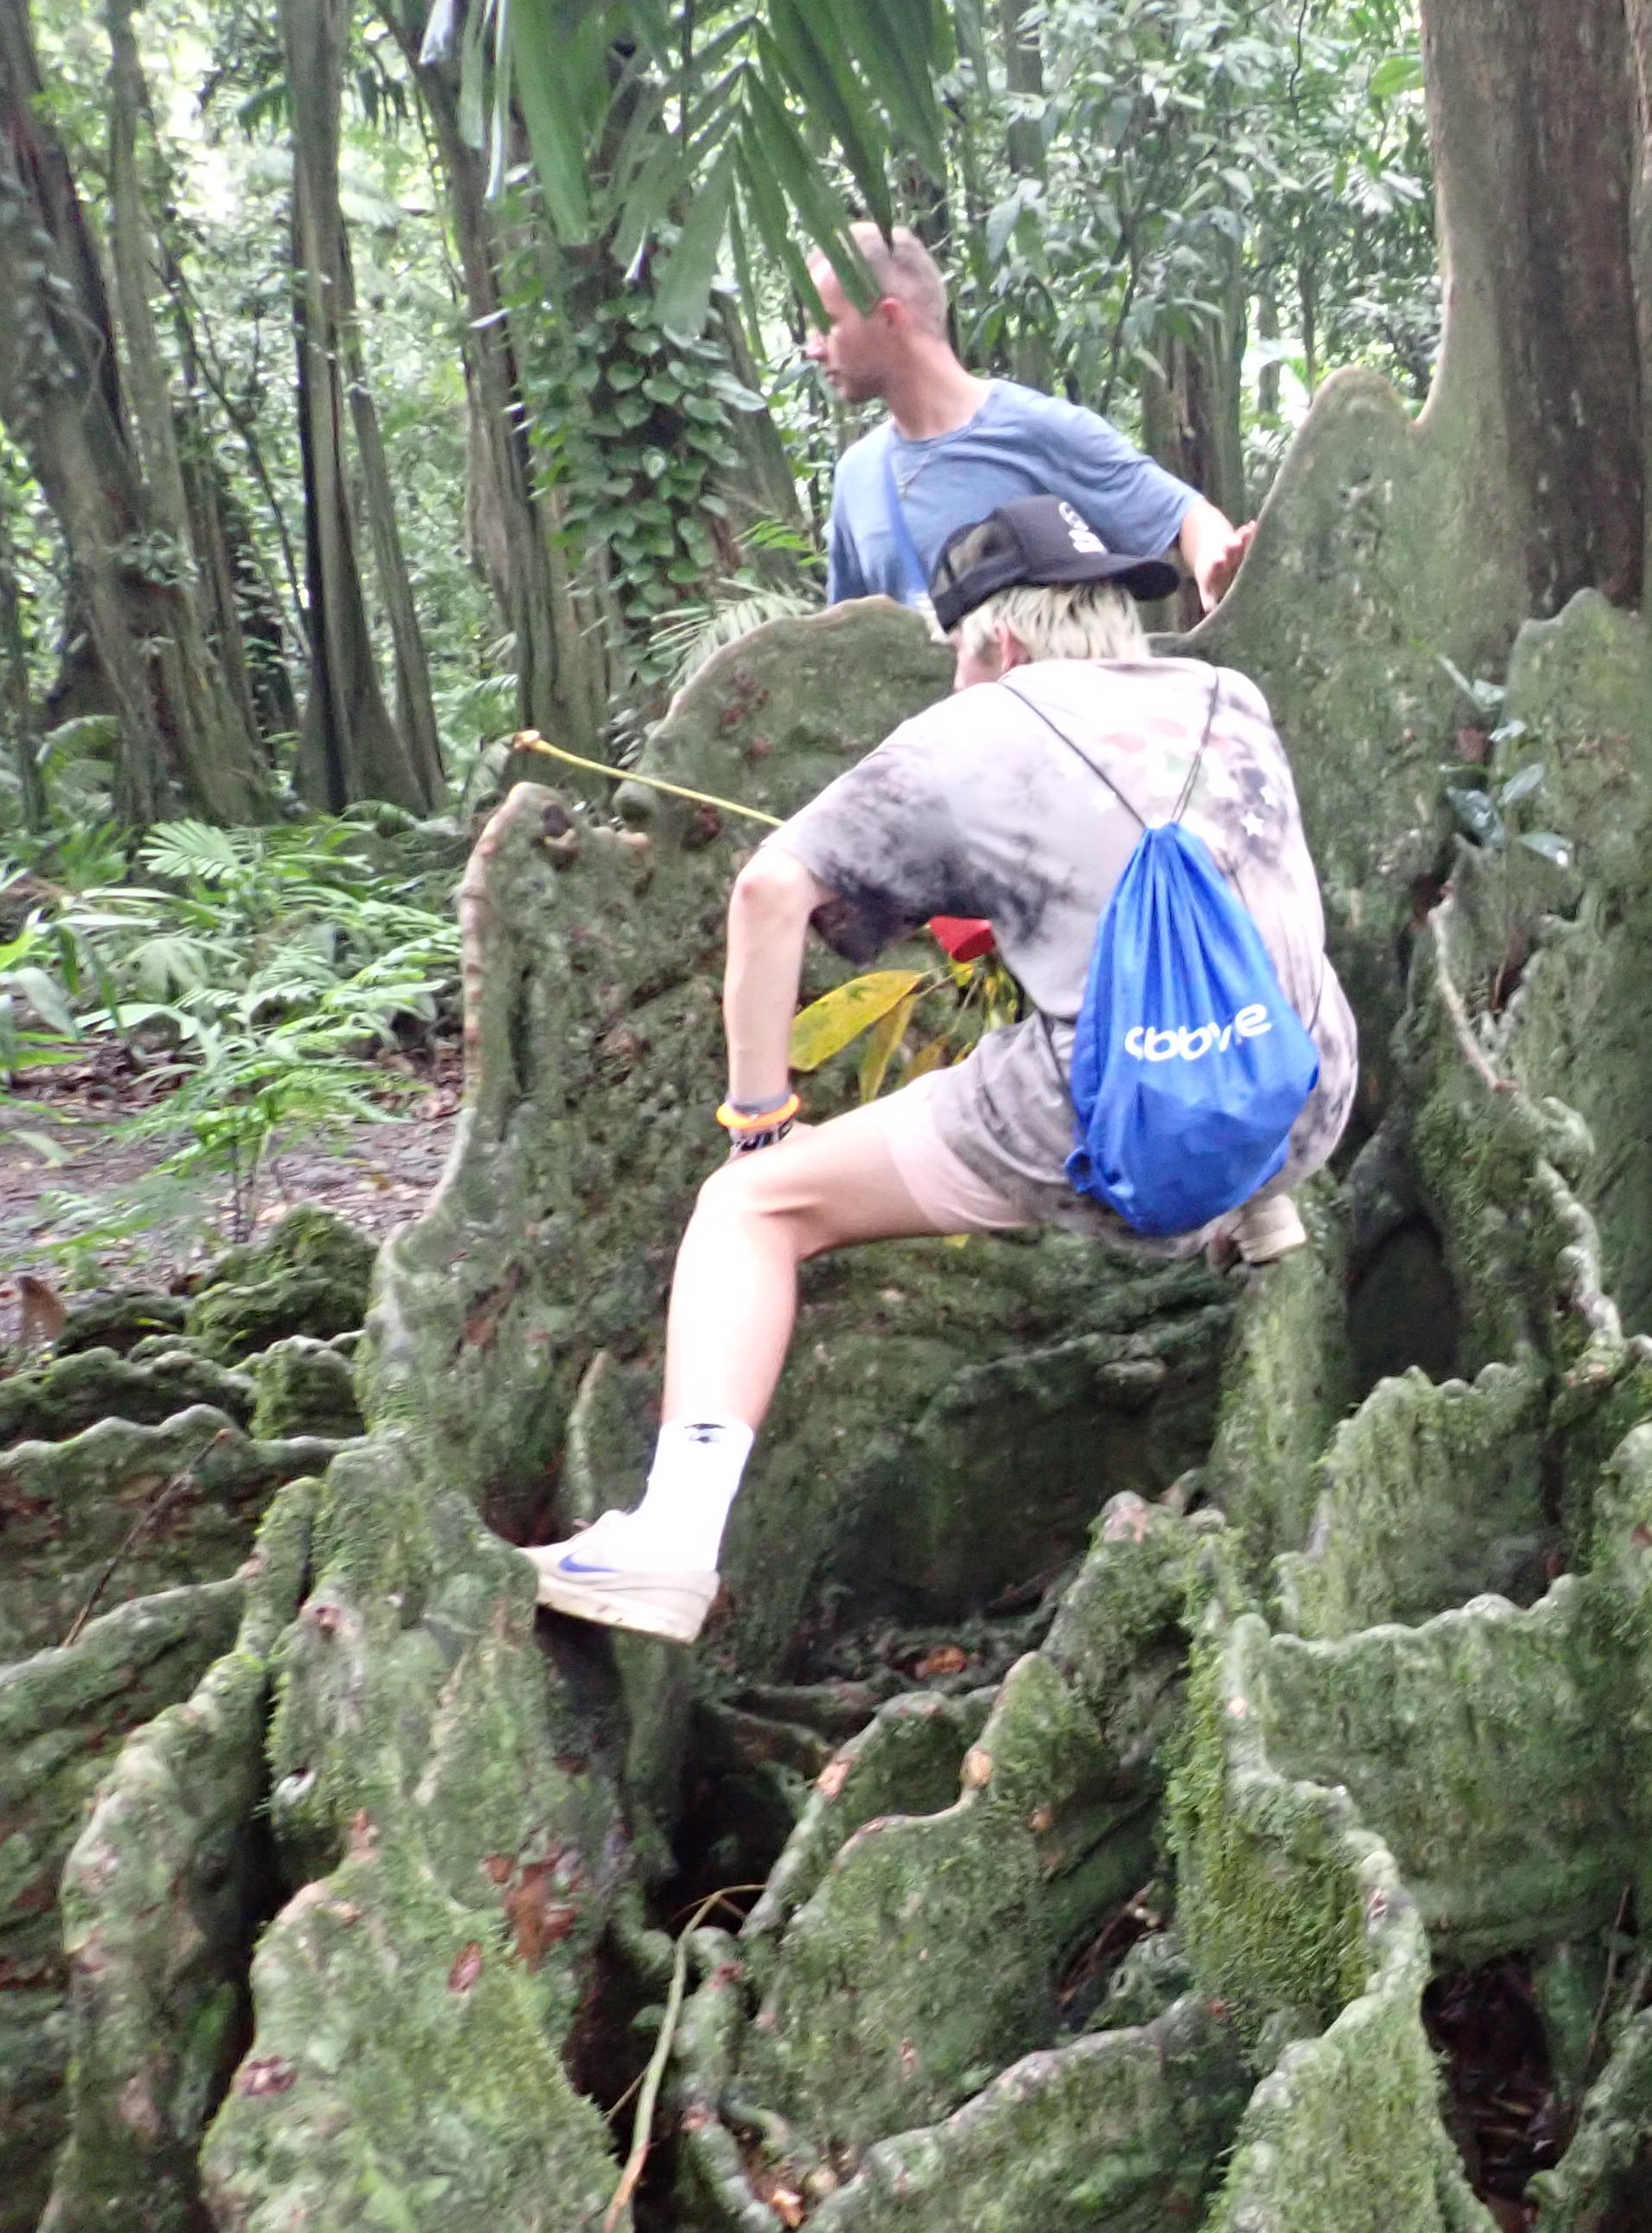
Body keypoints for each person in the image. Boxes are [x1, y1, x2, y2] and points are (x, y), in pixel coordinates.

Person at [523, 493, 1356, 1644]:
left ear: (999, 644)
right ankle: (1260, 1210)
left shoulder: (980, 726)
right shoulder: (1230, 696)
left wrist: (760, 1118)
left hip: (1117, 1125)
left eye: (959, 657)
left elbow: (770, 892)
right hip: (1305, 1095)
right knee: (1250, 956)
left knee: (749, 1212)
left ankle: (670, 1538)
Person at [809, 225, 1254, 618]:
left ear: (888, 317)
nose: (813, 348)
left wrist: (1213, 563)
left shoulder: (1034, 429)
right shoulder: (856, 475)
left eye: (826, 324)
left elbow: (1183, 513)